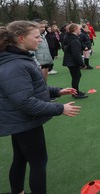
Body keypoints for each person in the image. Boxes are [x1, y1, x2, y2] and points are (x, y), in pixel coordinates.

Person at [0, 20, 81, 194]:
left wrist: (57, 91)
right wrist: (61, 108)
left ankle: (17, 191)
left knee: (21, 158)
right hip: (25, 122)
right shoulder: (15, 64)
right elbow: (25, 102)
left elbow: (33, 89)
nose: (40, 40)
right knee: (38, 163)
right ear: (21, 38)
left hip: (21, 122)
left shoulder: (19, 58)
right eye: (36, 36)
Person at [62, 23, 88, 99]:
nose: (80, 30)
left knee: (77, 76)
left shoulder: (70, 38)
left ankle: (76, 91)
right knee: (76, 77)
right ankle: (75, 94)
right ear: (75, 29)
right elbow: (76, 54)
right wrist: (83, 64)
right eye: (79, 29)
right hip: (72, 62)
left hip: (70, 61)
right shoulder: (74, 40)